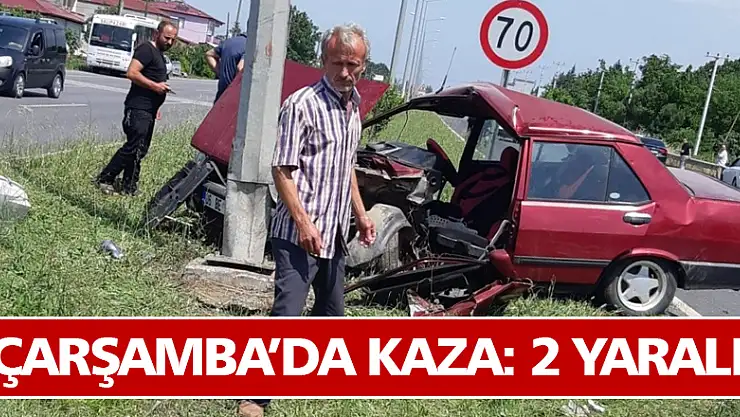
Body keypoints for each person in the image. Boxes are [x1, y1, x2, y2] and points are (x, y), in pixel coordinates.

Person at [235, 23, 376, 417]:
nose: (345, 72)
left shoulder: (353, 106)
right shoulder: (302, 105)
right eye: (337, 63)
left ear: (363, 65)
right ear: (323, 60)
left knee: (332, 314)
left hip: (334, 231)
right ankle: (254, 396)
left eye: (353, 64)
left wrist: (361, 215)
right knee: (287, 314)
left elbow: (346, 165)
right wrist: (303, 223)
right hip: (299, 234)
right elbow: (281, 169)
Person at [94, 20, 178, 196]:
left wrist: (156, 104)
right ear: (156, 34)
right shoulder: (146, 49)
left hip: (148, 110)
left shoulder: (159, 54)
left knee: (140, 149)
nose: (169, 42)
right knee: (133, 146)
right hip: (138, 108)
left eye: (173, 39)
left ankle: (129, 186)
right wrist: (155, 87)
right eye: (167, 38)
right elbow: (132, 73)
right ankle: (105, 178)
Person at [206, 32, 247, 103]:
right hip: (234, 95)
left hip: (221, 93)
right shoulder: (249, 46)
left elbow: (209, 54)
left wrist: (220, 73)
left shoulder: (228, 42)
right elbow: (240, 68)